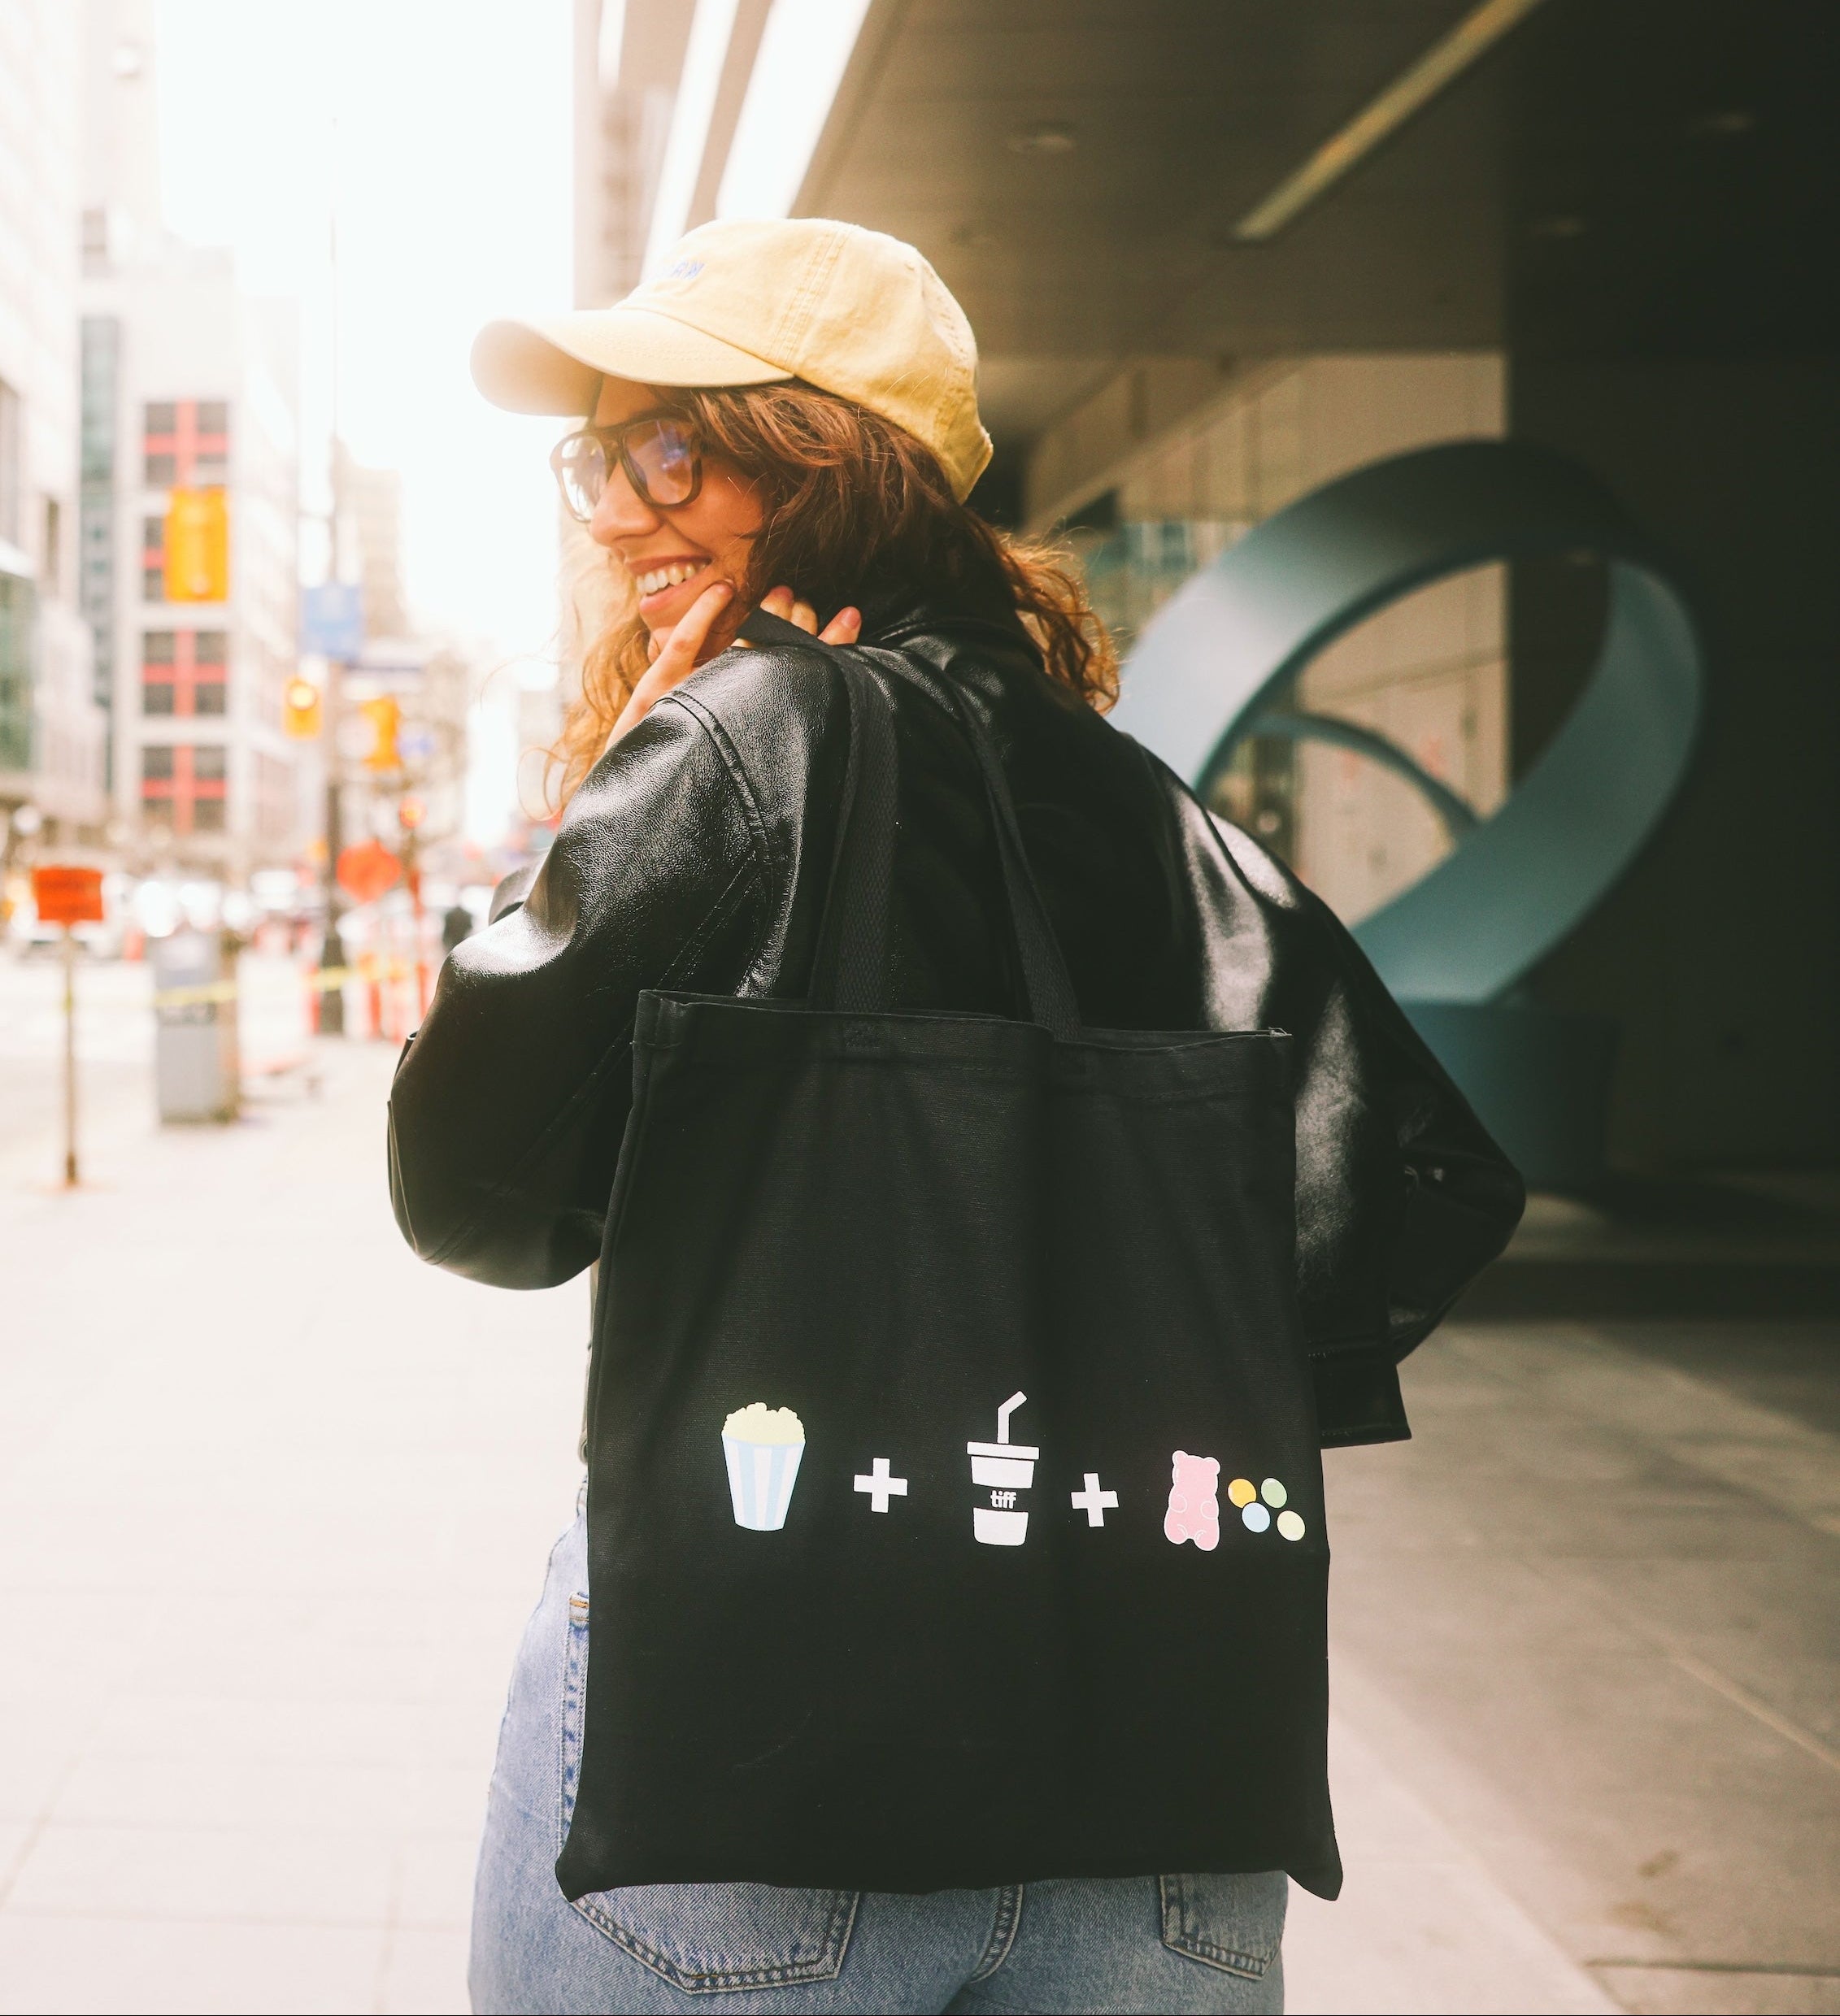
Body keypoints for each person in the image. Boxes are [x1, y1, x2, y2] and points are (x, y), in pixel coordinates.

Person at [388, 218, 1521, 2016]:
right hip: (1162, 1786)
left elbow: (470, 1193)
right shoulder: (1152, 811)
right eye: (594, 460)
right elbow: (1424, 1183)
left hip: (757, 1759)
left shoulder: (741, 739)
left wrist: (633, 774)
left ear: (818, 455)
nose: (612, 508)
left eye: (663, 448)